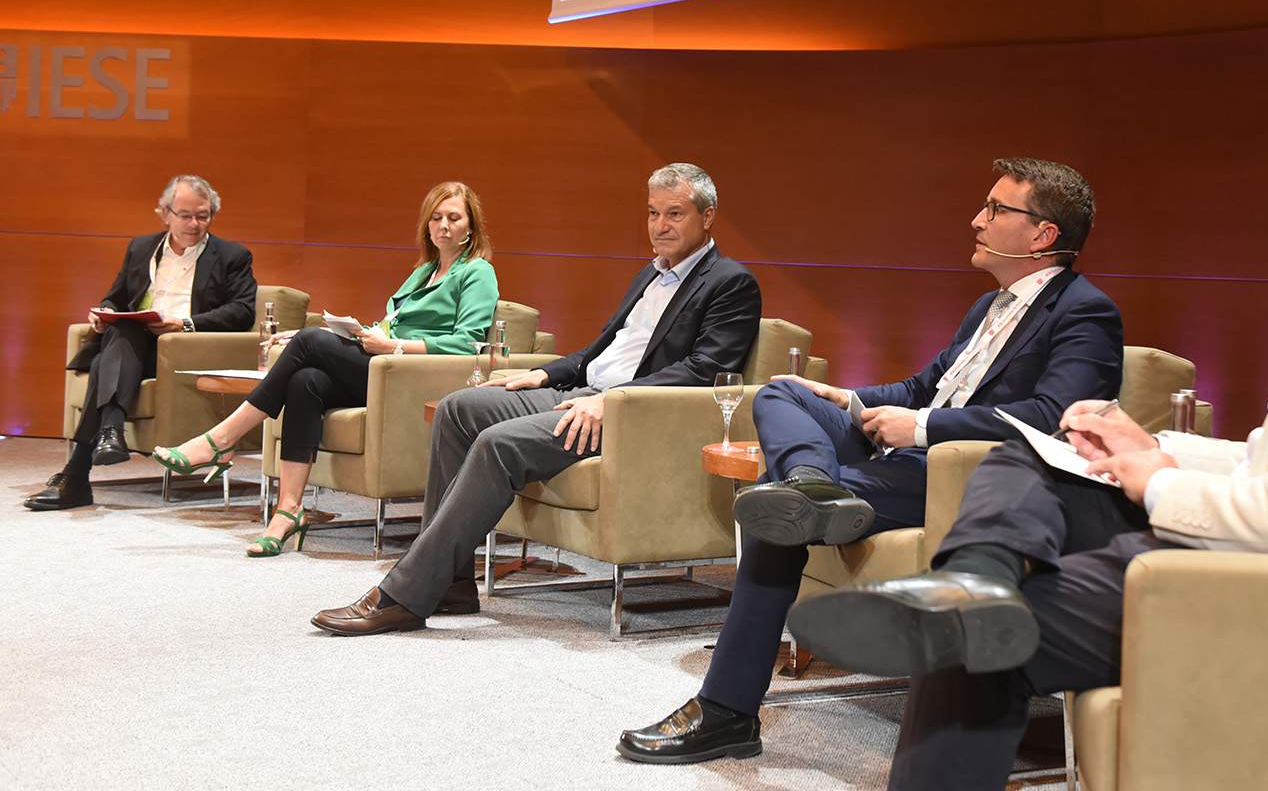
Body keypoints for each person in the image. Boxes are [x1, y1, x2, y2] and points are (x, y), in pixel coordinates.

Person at [787, 57, 1268, 790]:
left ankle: (971, 600)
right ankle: (973, 578)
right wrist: (1153, 444)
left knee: (975, 644)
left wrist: (1157, 481)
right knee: (1031, 454)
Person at [618, 158, 1125, 765]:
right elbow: (924, 385)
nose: (977, 219)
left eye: (995, 209)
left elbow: (1051, 416)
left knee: (775, 520)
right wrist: (854, 398)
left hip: (961, 476)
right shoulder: (987, 308)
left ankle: (727, 710)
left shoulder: (1085, 312)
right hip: (906, 452)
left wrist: (923, 428)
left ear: (1043, 235)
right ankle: (812, 486)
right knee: (784, 392)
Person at [310, 162, 763, 632]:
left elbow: (703, 371)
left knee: (497, 443)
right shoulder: (649, 275)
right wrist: (540, 374)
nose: (660, 226)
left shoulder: (730, 283)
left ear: (707, 217)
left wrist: (613, 401)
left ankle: (404, 594)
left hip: (631, 416)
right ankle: (453, 583)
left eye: (675, 214)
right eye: (652, 213)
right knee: (459, 407)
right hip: (585, 392)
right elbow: (597, 350)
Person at [150, 181, 500, 557]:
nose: (444, 225)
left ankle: (219, 441)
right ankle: (288, 512)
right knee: (305, 380)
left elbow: (469, 343)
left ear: (470, 227)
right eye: (436, 217)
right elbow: (391, 326)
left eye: (453, 218)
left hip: (413, 377)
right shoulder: (423, 271)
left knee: (308, 342)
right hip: (385, 367)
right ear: (427, 226)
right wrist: (366, 334)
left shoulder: (476, 272)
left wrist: (393, 346)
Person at [24, 175, 257, 512]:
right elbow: (117, 298)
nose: (194, 224)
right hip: (135, 349)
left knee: (109, 359)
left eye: (203, 216)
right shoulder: (141, 248)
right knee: (123, 332)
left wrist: (183, 323)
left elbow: (242, 310)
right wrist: (105, 312)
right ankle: (104, 441)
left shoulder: (233, 256)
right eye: (185, 215)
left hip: (184, 351)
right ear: (165, 213)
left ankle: (79, 471)